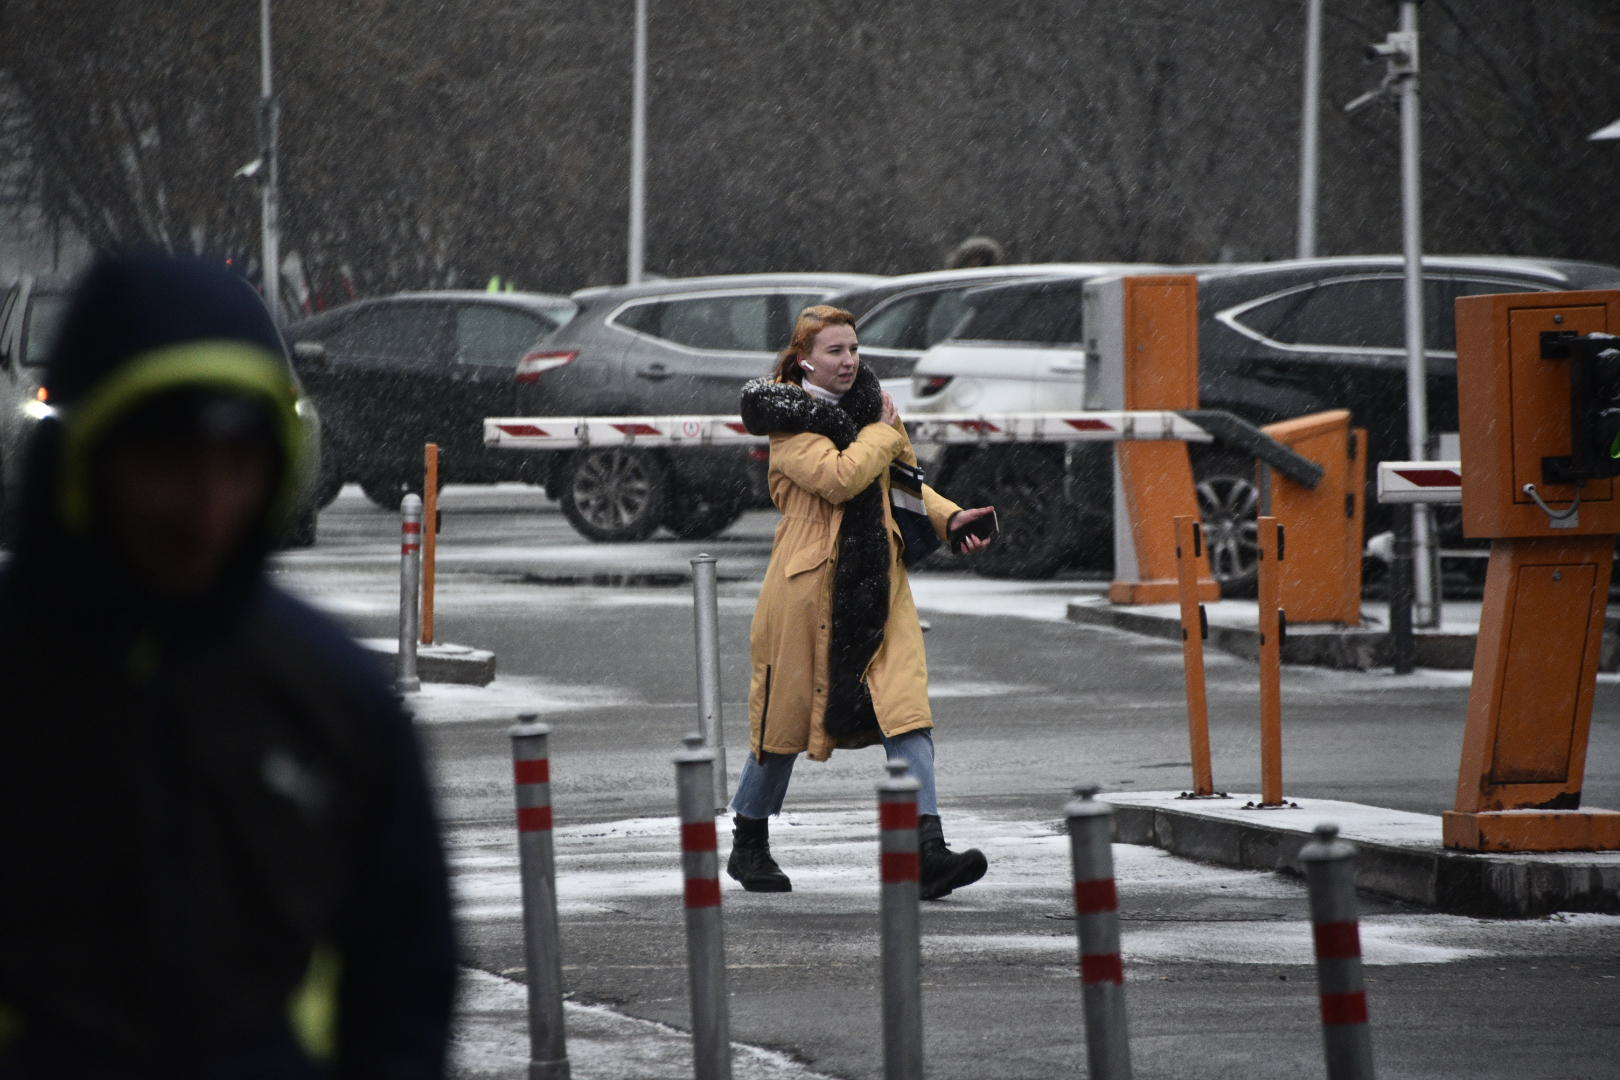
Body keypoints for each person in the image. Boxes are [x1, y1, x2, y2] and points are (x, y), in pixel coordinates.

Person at [0, 252, 457, 1078]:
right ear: (91, 457)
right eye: (170, 460)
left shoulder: (331, 698)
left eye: (239, 462)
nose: (208, 503)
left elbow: (402, 993)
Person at [730, 304, 997, 900]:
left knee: (907, 712)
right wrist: (881, 429)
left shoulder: (871, 410)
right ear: (805, 362)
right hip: (806, 590)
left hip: (880, 584)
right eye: (835, 351)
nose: (849, 360)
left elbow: (902, 486)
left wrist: (953, 520)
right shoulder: (788, 423)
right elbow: (842, 477)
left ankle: (925, 851)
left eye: (853, 348)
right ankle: (749, 841)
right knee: (784, 727)